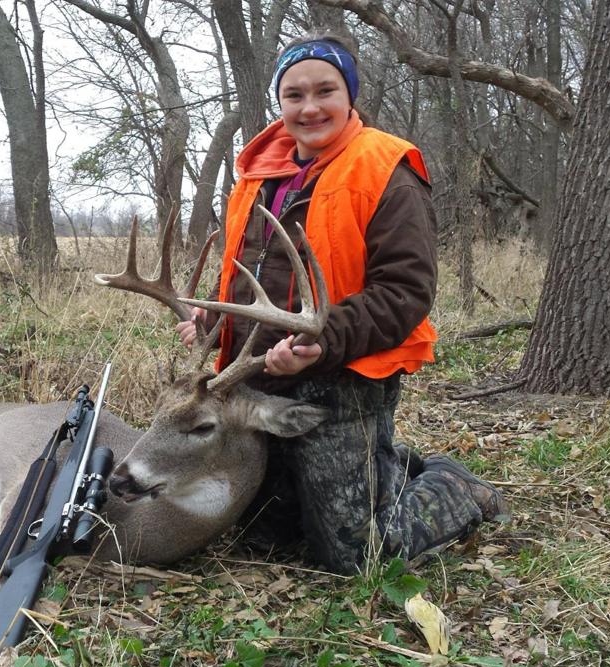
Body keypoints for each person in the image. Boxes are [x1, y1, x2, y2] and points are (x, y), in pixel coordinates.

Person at [176, 32, 506, 574]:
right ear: (279, 102)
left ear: (349, 94)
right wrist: (212, 316)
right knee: (260, 535)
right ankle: (384, 468)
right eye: (294, 95)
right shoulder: (258, 174)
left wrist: (321, 341)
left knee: (357, 553)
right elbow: (246, 274)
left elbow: (405, 292)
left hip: (342, 377)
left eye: (324, 91)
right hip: (258, 377)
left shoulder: (384, 168)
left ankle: (455, 486)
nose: (309, 108)